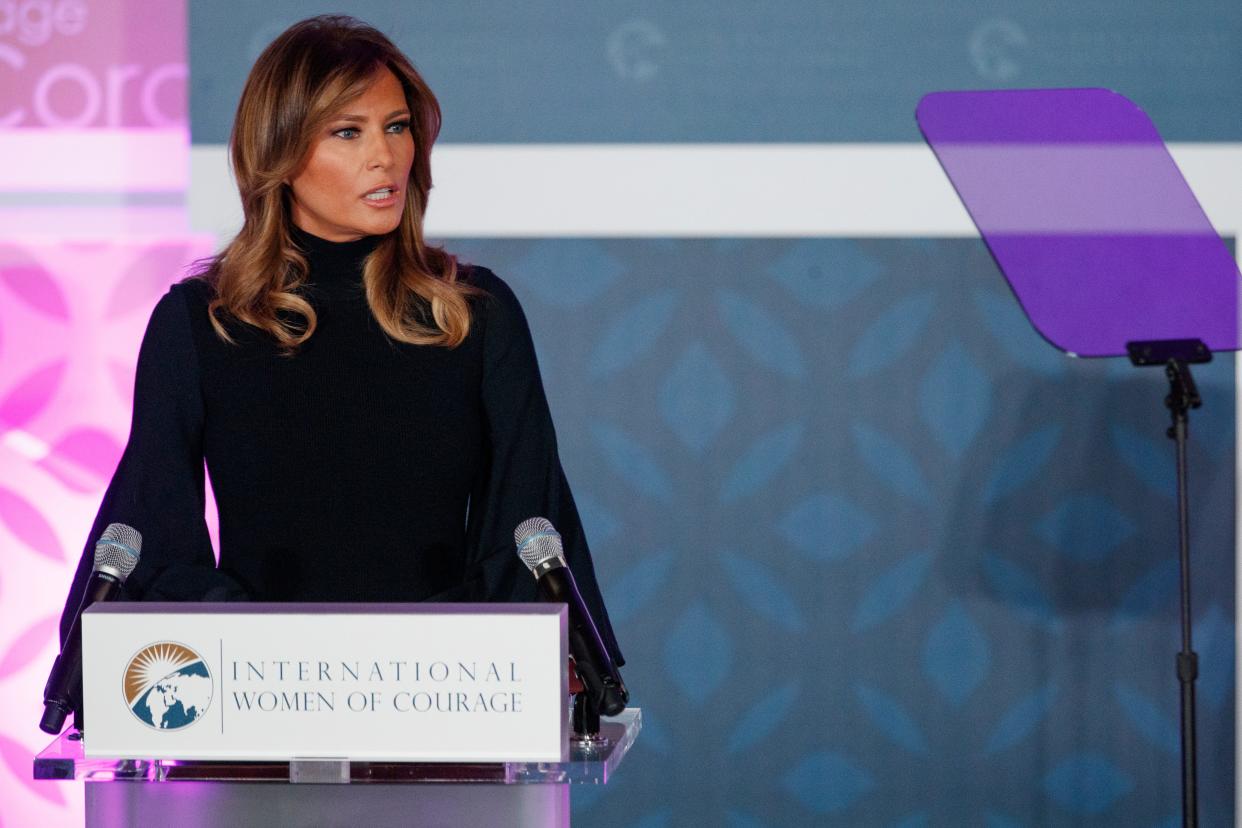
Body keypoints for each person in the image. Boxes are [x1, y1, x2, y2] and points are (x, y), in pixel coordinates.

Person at [58, 14, 624, 669]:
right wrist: (272, 657)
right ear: (280, 152)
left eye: (396, 126)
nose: (385, 158)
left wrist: (412, 661)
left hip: (444, 694)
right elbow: (154, 536)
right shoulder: (200, 323)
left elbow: (525, 533)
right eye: (348, 133)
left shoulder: (474, 315)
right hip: (253, 702)